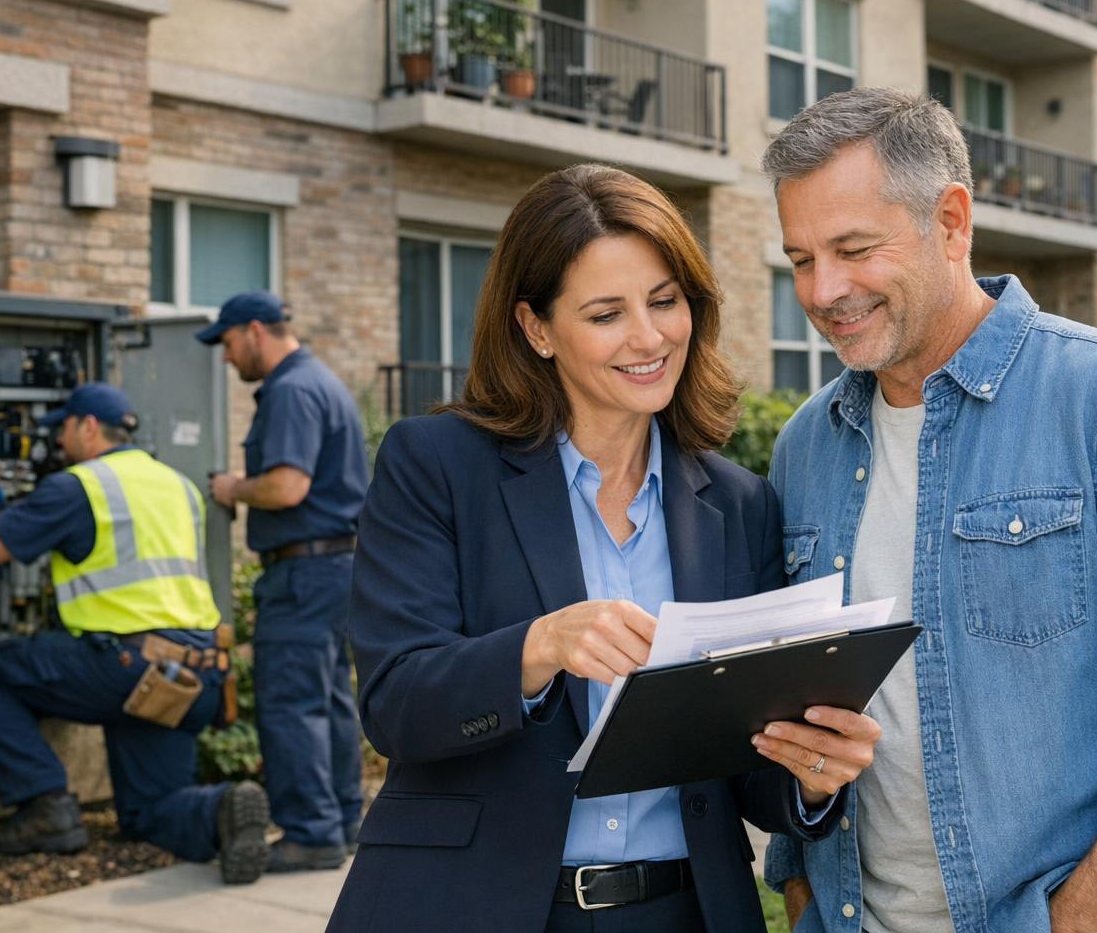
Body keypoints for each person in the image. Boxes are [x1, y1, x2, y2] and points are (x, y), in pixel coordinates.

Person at [757, 87, 1097, 933]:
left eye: (854, 249)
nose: (824, 290)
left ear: (951, 222)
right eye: (800, 259)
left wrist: (1088, 912)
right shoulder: (804, 446)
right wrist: (799, 888)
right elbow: (797, 706)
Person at [326, 164, 881, 933]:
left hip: (684, 914)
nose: (648, 337)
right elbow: (394, 705)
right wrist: (540, 646)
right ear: (536, 328)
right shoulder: (437, 464)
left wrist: (812, 774)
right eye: (605, 313)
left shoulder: (739, 504)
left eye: (664, 301)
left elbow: (745, 768)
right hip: (470, 906)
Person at [0, 382, 269, 885]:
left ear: (88, 427)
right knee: (148, 809)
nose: (58, 441)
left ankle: (45, 805)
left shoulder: (79, 486)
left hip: (128, 670)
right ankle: (221, 811)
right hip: (197, 675)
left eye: (62, 429)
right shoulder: (178, 484)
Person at [198, 292, 370, 872]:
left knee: (292, 705)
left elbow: (287, 487)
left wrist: (233, 488)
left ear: (254, 331)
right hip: (334, 567)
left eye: (227, 343)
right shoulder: (319, 379)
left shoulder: (291, 389)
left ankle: (310, 833)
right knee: (328, 701)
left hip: (303, 572)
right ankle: (342, 821)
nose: (226, 358)